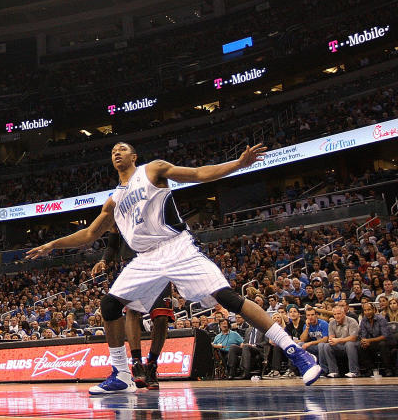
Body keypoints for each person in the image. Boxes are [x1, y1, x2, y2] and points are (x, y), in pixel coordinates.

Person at [27, 142, 322, 394]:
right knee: (109, 304)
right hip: (145, 258)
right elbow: (90, 234)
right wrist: (52, 244)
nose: (117, 151)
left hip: (176, 246)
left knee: (228, 298)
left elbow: (197, 174)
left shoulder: (152, 170)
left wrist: (239, 163)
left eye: (123, 149)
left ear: (133, 157)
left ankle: (295, 352)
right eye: (113, 150)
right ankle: (122, 375)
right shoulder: (113, 200)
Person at [92, 229, 173, 389]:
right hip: (133, 265)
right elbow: (113, 244)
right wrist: (104, 260)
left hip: (160, 263)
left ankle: (152, 365)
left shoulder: (154, 205)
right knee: (132, 310)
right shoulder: (118, 210)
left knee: (162, 317)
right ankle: (136, 363)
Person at [320, 305, 360, 378]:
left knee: (349, 344)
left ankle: (354, 371)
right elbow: (331, 338)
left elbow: (353, 338)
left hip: (354, 345)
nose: (337, 316)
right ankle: (333, 371)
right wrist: (332, 340)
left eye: (339, 314)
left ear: (344, 313)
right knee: (327, 346)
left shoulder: (351, 321)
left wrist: (338, 340)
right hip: (340, 345)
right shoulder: (332, 323)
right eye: (335, 314)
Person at [357, 302, 393, 376]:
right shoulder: (364, 320)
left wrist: (369, 340)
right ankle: (370, 369)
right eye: (365, 310)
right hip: (372, 342)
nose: (367, 312)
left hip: (385, 341)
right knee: (361, 346)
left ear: (374, 310)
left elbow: (385, 336)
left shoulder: (381, 319)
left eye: (369, 310)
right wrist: (364, 341)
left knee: (382, 344)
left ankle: (388, 369)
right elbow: (363, 334)